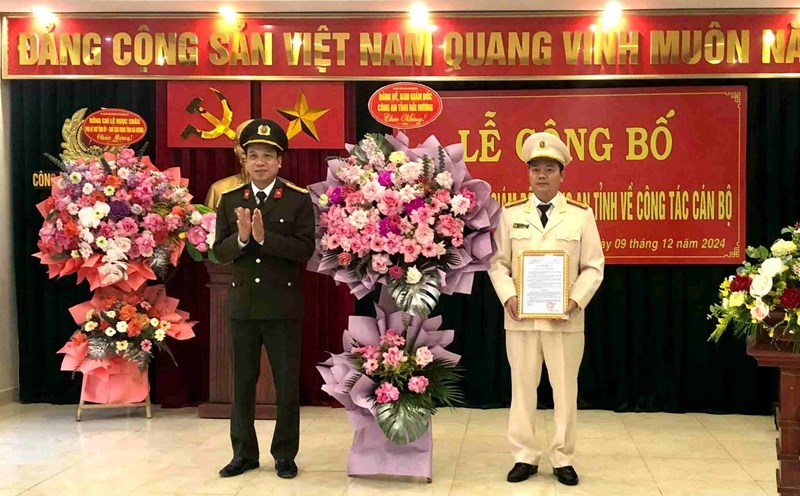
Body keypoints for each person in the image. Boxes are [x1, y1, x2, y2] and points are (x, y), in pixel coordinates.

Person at [488, 131, 605, 486]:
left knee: (565, 389)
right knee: (522, 388)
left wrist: (575, 299)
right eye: (535, 168)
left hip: (565, 318)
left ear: (562, 174)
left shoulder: (580, 216)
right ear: (528, 173)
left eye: (549, 169)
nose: (542, 175)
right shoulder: (509, 216)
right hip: (521, 318)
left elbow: (594, 266)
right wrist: (508, 295)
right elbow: (498, 263)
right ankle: (524, 455)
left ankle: (562, 457)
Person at [214, 118, 315, 479]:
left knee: (287, 384)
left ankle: (285, 454)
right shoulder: (229, 201)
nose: (259, 162)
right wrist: (241, 238)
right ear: (244, 160)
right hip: (243, 307)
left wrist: (264, 236)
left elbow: (305, 250)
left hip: (283, 307)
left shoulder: (297, 200)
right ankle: (243, 453)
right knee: (241, 383)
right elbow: (219, 253)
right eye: (252, 155)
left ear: (280, 161)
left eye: (267, 156)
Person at [204, 119, 253, 209]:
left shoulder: (286, 192)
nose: (246, 151)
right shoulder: (218, 190)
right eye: (240, 144)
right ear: (235, 149)